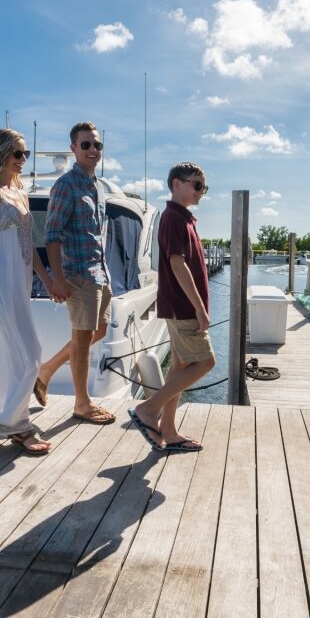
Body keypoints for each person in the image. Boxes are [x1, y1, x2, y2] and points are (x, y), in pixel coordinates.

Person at [0, 129, 56, 454]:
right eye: (17, 153)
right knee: (29, 354)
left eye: (26, 155)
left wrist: (46, 280)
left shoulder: (19, 191)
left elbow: (28, 243)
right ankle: (15, 425)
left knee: (4, 354)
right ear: (0, 152)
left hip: (18, 282)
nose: (22, 160)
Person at [34, 121, 116, 425]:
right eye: (86, 145)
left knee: (100, 332)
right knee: (82, 341)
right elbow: (52, 236)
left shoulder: (97, 186)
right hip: (79, 273)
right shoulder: (65, 185)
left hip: (100, 273)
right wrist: (57, 279)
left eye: (97, 145)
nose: (93, 150)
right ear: (73, 149)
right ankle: (82, 404)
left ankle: (47, 369)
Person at [128, 162, 214, 451]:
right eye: (197, 185)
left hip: (180, 307)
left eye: (204, 187)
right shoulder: (174, 218)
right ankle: (149, 410)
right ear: (177, 183)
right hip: (183, 308)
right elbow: (177, 264)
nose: (202, 192)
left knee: (181, 367)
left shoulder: (184, 218)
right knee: (205, 362)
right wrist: (200, 308)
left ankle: (169, 430)